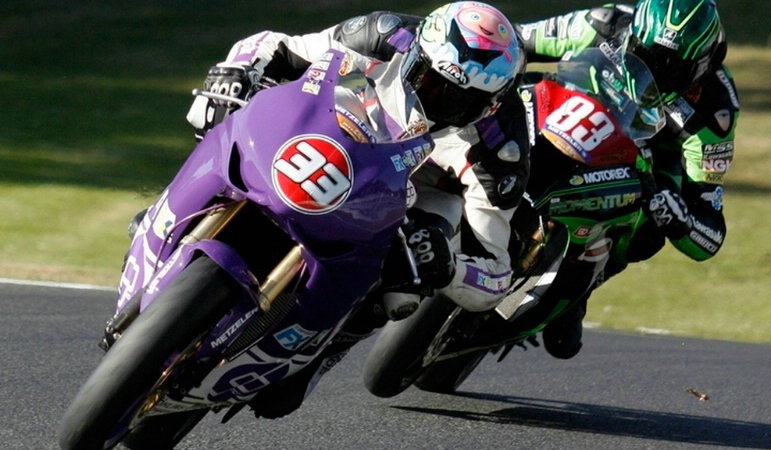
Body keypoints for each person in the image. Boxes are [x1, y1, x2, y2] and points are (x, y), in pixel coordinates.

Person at [186, 2, 529, 418]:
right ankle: (184, 211)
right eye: (429, 82)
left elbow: (496, 273)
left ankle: (326, 347)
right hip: (335, 134)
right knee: (221, 119)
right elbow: (274, 46)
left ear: (490, 105)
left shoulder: (500, 150)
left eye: (459, 102)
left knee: (401, 292)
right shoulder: (384, 34)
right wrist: (236, 73)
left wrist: (448, 267)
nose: (436, 102)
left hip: (416, 191)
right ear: (418, 54)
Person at [512, 0, 738, 359]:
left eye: (671, 66)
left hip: (641, 161)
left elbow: (710, 232)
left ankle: (581, 284)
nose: (656, 70)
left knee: (649, 233)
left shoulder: (715, 109)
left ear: (701, 64)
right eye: (645, 55)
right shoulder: (604, 23)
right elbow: (515, 39)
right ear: (633, 36)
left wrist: (681, 221)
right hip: (561, 114)